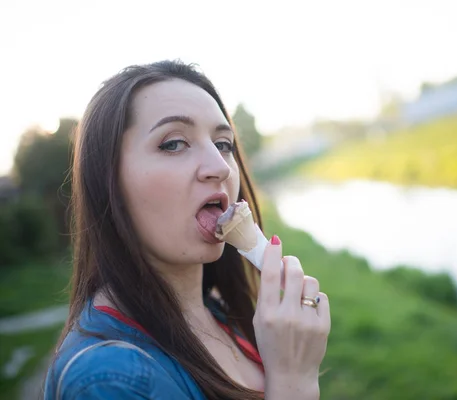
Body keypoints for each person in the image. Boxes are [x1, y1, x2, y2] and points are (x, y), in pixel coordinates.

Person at [44, 60, 330, 399]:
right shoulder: (109, 381)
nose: (220, 168)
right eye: (174, 143)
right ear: (108, 183)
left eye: (224, 144)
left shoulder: (218, 311)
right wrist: (293, 382)